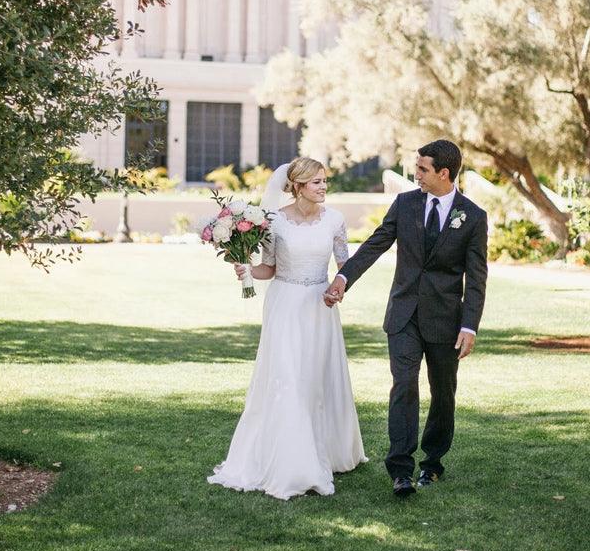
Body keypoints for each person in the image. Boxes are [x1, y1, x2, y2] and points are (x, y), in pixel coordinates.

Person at [325, 139, 488, 498]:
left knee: (443, 393)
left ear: (443, 173)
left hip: (447, 321)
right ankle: (400, 469)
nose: (416, 174)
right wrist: (343, 277)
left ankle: (433, 463)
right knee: (403, 385)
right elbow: (375, 243)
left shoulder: (473, 217)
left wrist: (469, 325)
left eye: (423, 169)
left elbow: (476, 277)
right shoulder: (405, 203)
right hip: (403, 316)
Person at [207, 156, 367, 501]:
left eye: (325, 181)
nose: (323, 187)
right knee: (289, 378)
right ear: (296, 186)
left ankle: (328, 449)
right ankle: (294, 463)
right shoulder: (275, 222)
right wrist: (246, 270)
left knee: (316, 378)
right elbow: (270, 268)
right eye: (315, 182)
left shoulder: (335, 220)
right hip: (285, 306)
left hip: (319, 308)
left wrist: (337, 289)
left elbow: (345, 266)